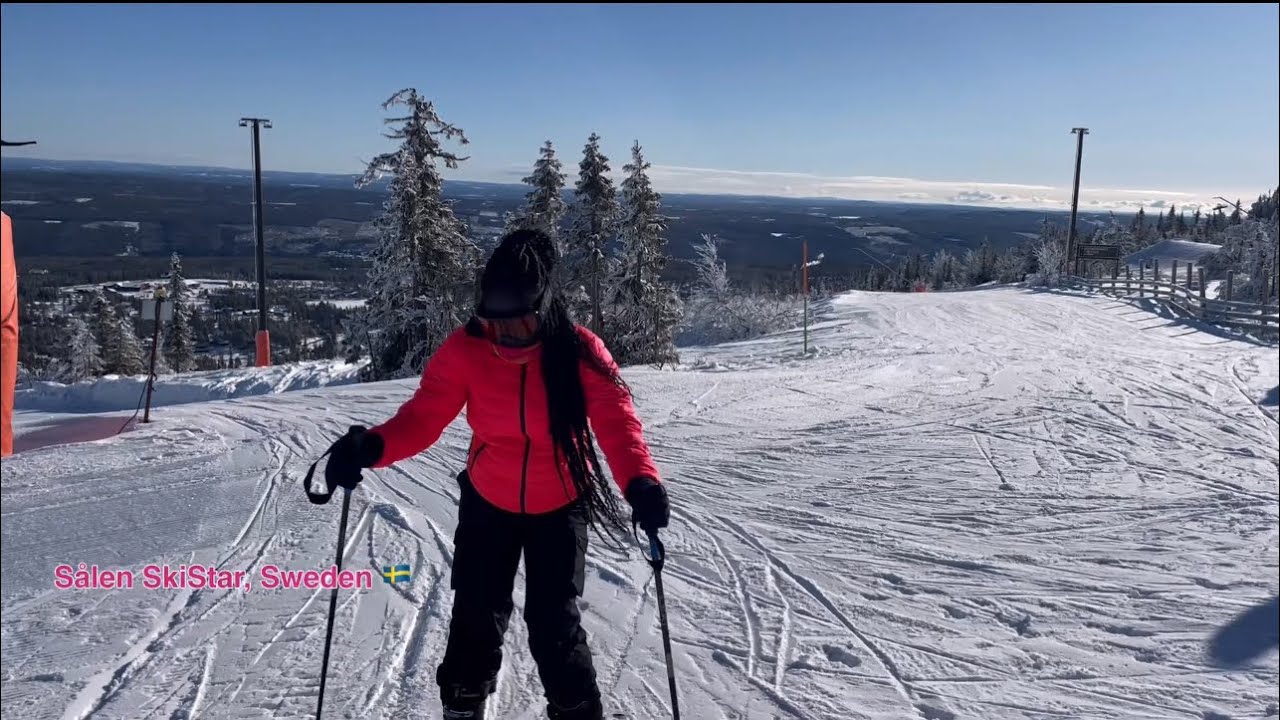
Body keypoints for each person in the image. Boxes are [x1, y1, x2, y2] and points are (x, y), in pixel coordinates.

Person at [324, 228, 671, 720]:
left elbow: (618, 422)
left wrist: (641, 481)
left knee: (554, 626)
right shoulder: (468, 350)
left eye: (520, 322)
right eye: (496, 322)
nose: (506, 334)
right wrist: (372, 447)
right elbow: (423, 417)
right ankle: (463, 707)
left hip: (561, 503)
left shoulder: (579, 353)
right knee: (475, 617)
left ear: (545, 307)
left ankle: (577, 711)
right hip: (490, 501)